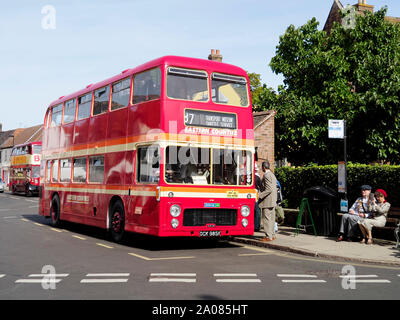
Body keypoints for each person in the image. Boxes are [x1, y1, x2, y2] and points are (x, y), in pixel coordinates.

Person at [258, 161, 277, 242]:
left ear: (264, 167)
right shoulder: (272, 175)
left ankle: (268, 237)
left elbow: (269, 189)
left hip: (267, 201)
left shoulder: (267, 175)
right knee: (272, 219)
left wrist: (260, 195)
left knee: (266, 219)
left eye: (262, 167)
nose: (261, 168)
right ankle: (272, 235)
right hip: (273, 200)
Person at [254, 163, 261, 232]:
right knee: (257, 211)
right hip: (255, 195)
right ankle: (256, 226)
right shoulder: (257, 177)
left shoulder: (249, 176)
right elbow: (261, 187)